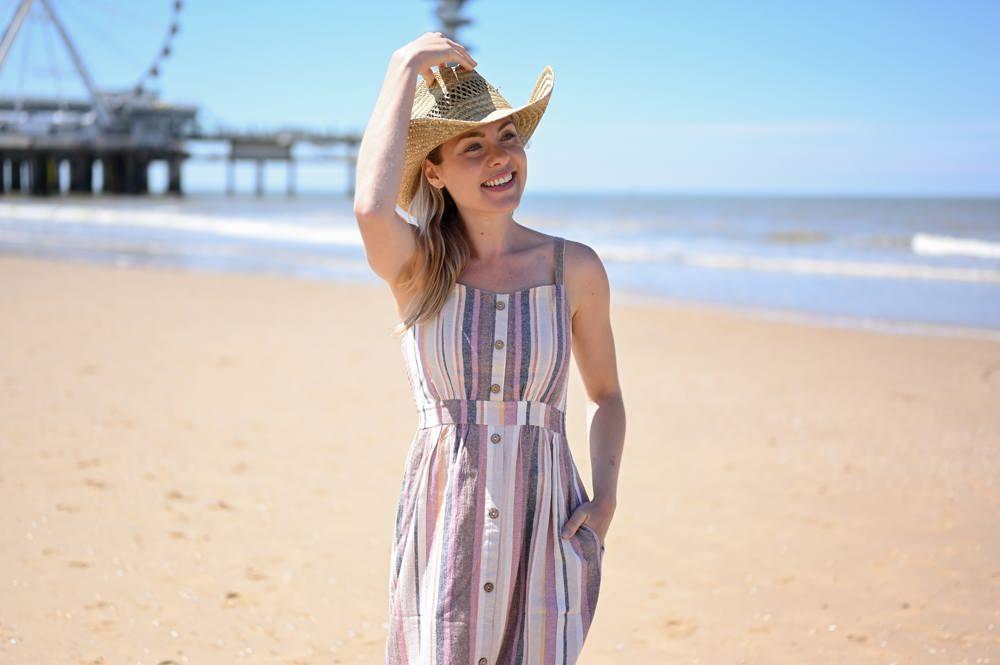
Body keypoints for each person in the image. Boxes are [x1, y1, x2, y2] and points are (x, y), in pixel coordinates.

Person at [353, 31, 626, 665]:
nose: (499, 157)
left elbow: (607, 395)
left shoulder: (575, 268)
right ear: (434, 171)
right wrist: (402, 67)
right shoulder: (418, 266)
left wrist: (606, 498)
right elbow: (370, 208)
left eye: (508, 137)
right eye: (471, 146)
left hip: (545, 524)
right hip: (446, 521)